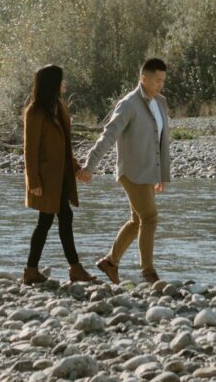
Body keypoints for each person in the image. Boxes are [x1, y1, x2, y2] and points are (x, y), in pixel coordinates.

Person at [82, 56, 171, 284]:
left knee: (137, 220)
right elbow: (109, 135)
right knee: (150, 218)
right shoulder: (129, 104)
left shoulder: (160, 102)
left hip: (149, 172)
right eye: (157, 80)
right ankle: (148, 273)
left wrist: (161, 175)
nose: (161, 84)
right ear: (143, 78)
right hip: (132, 173)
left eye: (163, 80)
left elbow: (162, 140)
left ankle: (110, 262)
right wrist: (90, 166)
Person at [19, 64, 95, 286]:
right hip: (45, 178)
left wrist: (75, 167)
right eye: (62, 80)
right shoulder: (34, 112)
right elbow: (29, 149)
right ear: (53, 83)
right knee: (51, 220)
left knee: (54, 220)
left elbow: (64, 145)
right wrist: (33, 181)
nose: (65, 84)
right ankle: (72, 269)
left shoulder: (58, 107)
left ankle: (35, 270)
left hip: (61, 176)